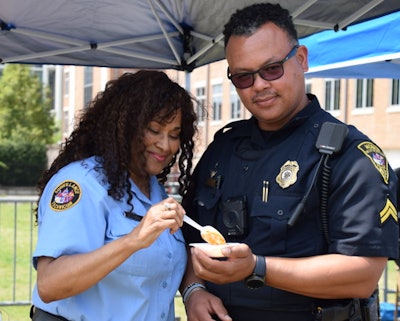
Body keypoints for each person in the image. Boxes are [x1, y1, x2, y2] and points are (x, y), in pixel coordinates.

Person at [180, 3, 399, 321]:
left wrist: (257, 267)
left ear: (301, 59)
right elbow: (188, 238)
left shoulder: (349, 155)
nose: (259, 85)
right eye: (243, 77)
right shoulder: (223, 149)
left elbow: (363, 274)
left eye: (271, 69)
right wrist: (193, 290)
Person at [30, 70, 197, 321]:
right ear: (125, 124)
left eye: (174, 135)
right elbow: (50, 285)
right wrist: (133, 240)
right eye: (154, 130)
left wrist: (195, 291)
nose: (166, 145)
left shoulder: (153, 190)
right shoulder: (80, 184)